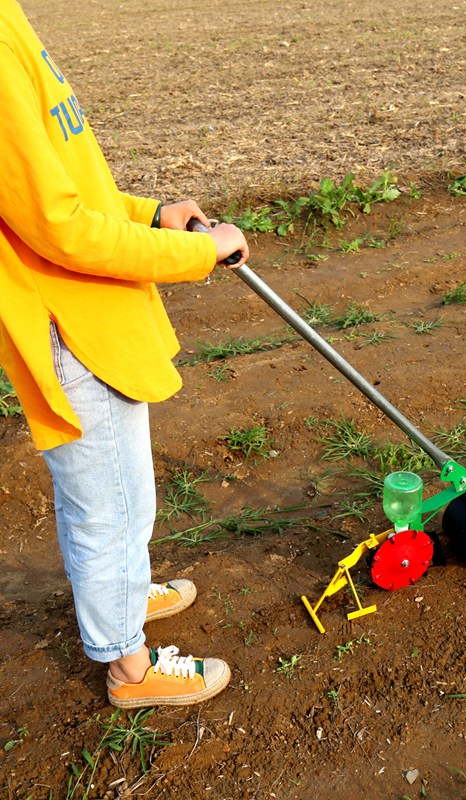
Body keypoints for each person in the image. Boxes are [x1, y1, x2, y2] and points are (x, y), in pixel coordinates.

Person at [0, 0, 249, 708]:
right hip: (62, 319)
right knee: (105, 507)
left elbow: (68, 185)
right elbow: (61, 227)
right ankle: (130, 669)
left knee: (124, 493)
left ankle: (127, 595)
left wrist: (147, 213)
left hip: (89, 309)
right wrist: (197, 251)